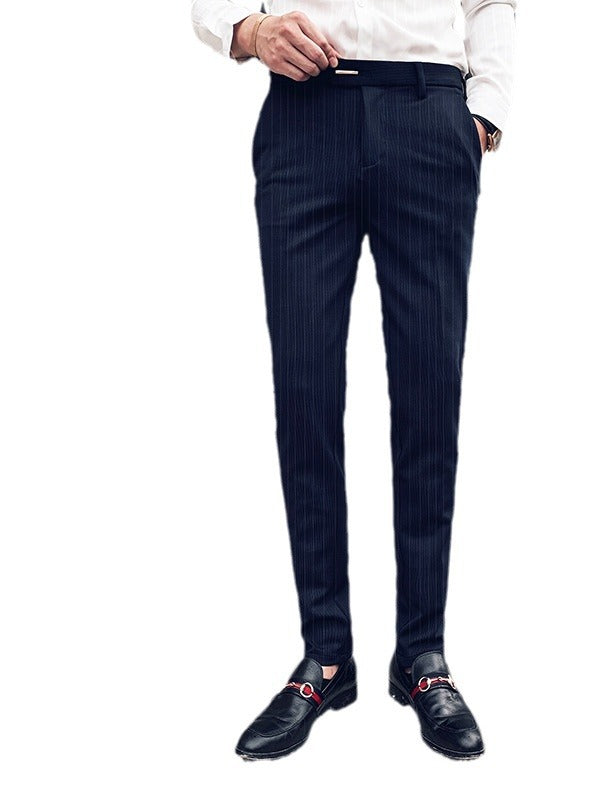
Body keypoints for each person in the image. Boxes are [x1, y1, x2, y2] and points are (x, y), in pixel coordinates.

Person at [190, 0, 516, 761]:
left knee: (429, 393)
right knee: (304, 394)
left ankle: (422, 656)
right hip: (305, 118)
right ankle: (326, 658)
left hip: (428, 113)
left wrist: (486, 113)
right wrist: (250, 32)